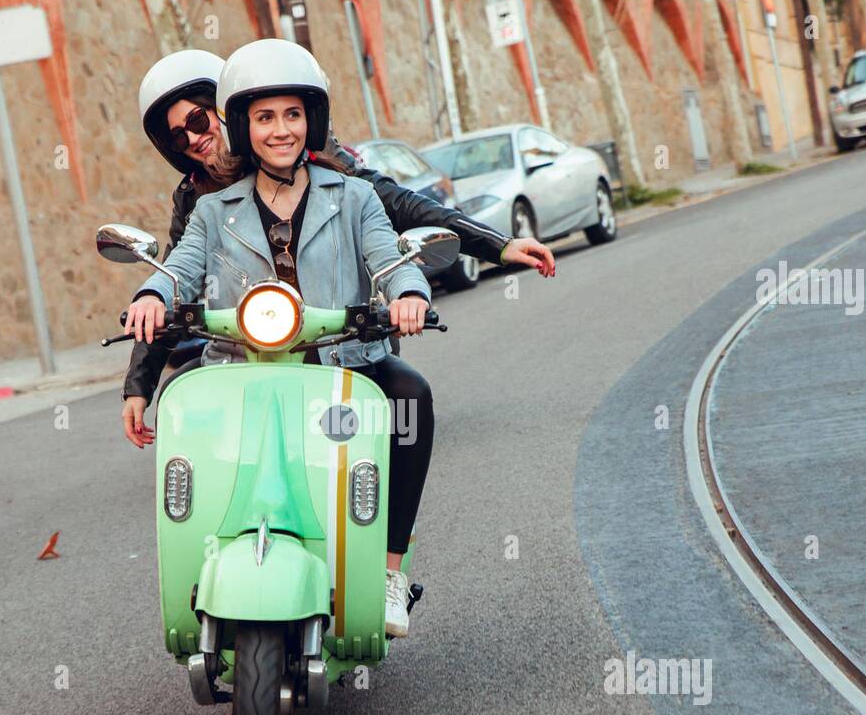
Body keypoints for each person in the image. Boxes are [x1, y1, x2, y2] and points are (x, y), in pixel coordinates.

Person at [130, 38, 438, 638]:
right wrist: (150, 296)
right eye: (265, 117)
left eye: (292, 115)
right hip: (245, 366)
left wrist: (408, 295)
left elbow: (389, 257)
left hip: (344, 363)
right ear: (243, 126)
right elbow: (180, 267)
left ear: (311, 120)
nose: (280, 130)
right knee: (185, 409)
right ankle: (200, 571)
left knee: (412, 396)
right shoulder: (214, 210)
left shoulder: (353, 196)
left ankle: (389, 572)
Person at [121, 46, 557, 440]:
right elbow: (177, 273)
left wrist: (494, 246)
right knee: (180, 393)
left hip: (339, 339)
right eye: (178, 136)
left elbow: (399, 215)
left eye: (198, 120)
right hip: (249, 354)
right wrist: (142, 357)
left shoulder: (331, 176)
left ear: (226, 109)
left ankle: (388, 526)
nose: (194, 139)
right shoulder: (203, 204)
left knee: (409, 397)